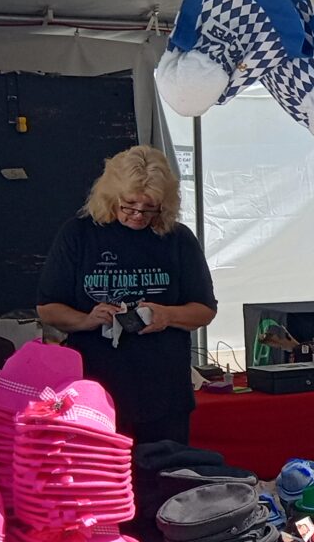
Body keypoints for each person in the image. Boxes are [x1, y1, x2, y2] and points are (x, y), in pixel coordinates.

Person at [37, 145, 217, 445]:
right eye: (129, 205)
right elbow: (47, 308)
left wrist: (167, 315)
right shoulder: (79, 235)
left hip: (164, 393)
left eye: (149, 208)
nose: (137, 215)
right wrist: (86, 320)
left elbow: (204, 310)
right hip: (95, 391)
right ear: (111, 197)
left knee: (165, 477)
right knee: (103, 481)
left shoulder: (178, 239)